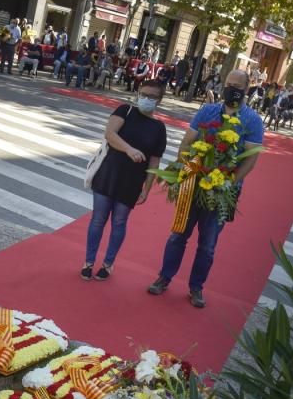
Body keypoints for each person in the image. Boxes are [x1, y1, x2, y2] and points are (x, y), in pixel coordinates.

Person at [148, 69, 265, 308]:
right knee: (178, 234)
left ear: (246, 89)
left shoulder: (252, 120)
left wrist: (229, 182)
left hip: (222, 190)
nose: (231, 89)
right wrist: (188, 169)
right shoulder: (207, 111)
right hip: (195, 181)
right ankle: (164, 277)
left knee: (208, 244)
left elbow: (250, 159)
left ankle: (196, 287)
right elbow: (187, 142)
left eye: (237, 86)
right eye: (228, 83)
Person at [83, 79, 168, 281]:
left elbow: (154, 162)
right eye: (143, 94)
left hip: (132, 180)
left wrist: (147, 189)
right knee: (98, 220)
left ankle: (108, 264)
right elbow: (110, 134)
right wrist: (129, 149)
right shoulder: (125, 110)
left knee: (119, 222)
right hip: (108, 173)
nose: (146, 99)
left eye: (152, 96)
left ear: (160, 100)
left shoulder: (159, 128)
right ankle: (88, 262)